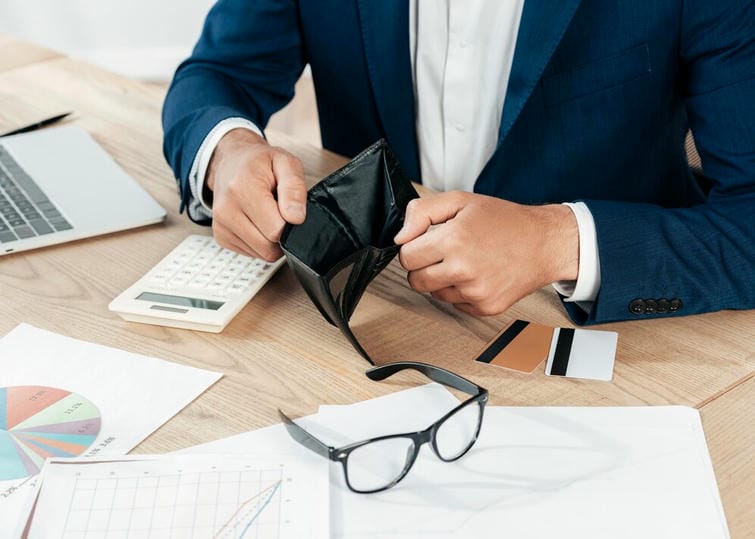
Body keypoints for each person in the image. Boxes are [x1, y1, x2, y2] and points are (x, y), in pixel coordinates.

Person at [162, 0, 755, 325]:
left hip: (627, 345)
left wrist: (556, 241)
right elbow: (220, 72)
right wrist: (227, 152)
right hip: (381, 322)